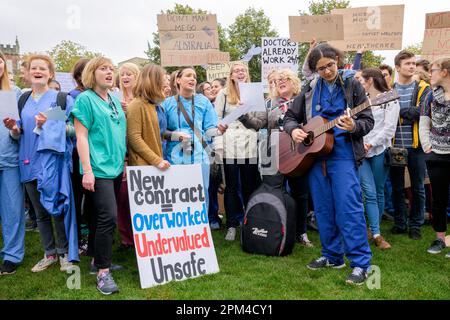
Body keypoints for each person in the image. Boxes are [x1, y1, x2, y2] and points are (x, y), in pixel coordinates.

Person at [284, 43, 374, 285]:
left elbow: (367, 120)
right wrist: (294, 131)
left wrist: (354, 126)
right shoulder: (310, 88)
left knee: (349, 209)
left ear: (338, 60)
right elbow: (290, 118)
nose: (327, 71)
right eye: (321, 68)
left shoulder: (352, 85)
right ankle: (333, 256)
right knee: (323, 209)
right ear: (314, 69)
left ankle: (360, 263)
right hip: (314, 157)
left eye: (330, 65)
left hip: (343, 155)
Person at [4, 54, 77, 273]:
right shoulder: (23, 100)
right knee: (40, 212)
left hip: (52, 164)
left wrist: (51, 121)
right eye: (33, 68)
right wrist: (13, 129)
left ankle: (64, 252)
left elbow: (74, 131)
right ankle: (50, 253)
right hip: (27, 162)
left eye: (42, 68)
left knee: (56, 208)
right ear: (27, 74)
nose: (38, 71)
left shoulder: (61, 99)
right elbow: (18, 135)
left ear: (50, 73)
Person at [71, 56, 126, 295]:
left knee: (97, 216)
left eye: (111, 69)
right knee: (109, 217)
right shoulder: (85, 100)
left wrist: (123, 162)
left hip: (115, 168)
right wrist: (88, 170)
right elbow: (81, 136)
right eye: (103, 68)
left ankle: (96, 260)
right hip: (97, 169)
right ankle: (103, 272)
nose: (109, 72)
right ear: (92, 73)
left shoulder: (114, 100)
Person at [239, 68, 313, 247]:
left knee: (300, 194)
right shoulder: (270, 104)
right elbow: (257, 124)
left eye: (284, 79)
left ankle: (301, 233)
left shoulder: (304, 100)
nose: (280, 82)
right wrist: (243, 114)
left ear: (293, 81)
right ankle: (275, 227)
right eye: (277, 80)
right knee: (273, 191)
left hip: (298, 154)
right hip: (274, 153)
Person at [163, 67, 224, 224]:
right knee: (177, 194)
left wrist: (219, 130)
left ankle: (200, 230)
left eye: (195, 77)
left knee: (200, 193)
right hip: (174, 157)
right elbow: (160, 131)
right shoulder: (167, 103)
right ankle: (180, 230)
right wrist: (175, 135)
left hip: (199, 157)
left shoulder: (203, 101)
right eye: (188, 75)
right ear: (178, 80)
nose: (193, 79)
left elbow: (209, 130)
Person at [214, 61, 262, 241]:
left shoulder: (254, 94)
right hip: (230, 144)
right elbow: (217, 119)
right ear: (231, 75)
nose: (240, 73)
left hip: (249, 143)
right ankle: (232, 224)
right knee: (232, 186)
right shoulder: (223, 94)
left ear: (247, 73)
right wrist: (219, 142)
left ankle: (250, 222)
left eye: (243, 70)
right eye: (236, 70)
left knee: (250, 185)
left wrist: (245, 112)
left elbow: (259, 122)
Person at [390, 50, 431, 239]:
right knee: (397, 187)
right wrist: (407, 112)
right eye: (407, 63)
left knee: (418, 187)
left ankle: (415, 224)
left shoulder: (424, 87)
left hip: (416, 147)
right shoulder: (389, 88)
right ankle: (400, 222)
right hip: (395, 146)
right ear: (397, 67)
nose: (412, 66)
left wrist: (398, 111)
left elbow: (421, 112)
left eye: (413, 63)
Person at [358, 68, 400, 250]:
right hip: (361, 151)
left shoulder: (390, 99)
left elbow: (389, 129)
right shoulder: (361, 101)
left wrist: (371, 143)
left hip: (379, 149)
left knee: (379, 190)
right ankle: (376, 233)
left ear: (370, 81)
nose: (359, 83)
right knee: (369, 192)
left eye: (361, 80)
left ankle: (373, 227)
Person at [419, 58, 450, 258]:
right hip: (436, 154)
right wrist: (428, 147)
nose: (430, 73)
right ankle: (439, 238)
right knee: (438, 198)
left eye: (434, 70)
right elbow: (424, 123)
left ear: (445, 72)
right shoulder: (430, 96)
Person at [0, 51, 25, 275]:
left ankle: (12, 254)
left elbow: (19, 132)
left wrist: (15, 129)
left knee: (12, 210)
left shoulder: (14, 93)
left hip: (8, 159)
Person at [127, 64, 169, 169]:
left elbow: (160, 133)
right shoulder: (136, 105)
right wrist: (156, 160)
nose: (166, 83)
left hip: (159, 162)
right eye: (163, 79)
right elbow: (134, 138)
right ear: (154, 81)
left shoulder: (157, 105)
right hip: (145, 166)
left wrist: (176, 135)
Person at [116, 62, 140, 249]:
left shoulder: (142, 97)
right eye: (122, 74)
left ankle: (141, 233)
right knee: (122, 196)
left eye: (129, 74)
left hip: (139, 153)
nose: (125, 77)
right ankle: (126, 236)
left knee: (139, 195)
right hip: (120, 153)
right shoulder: (113, 98)